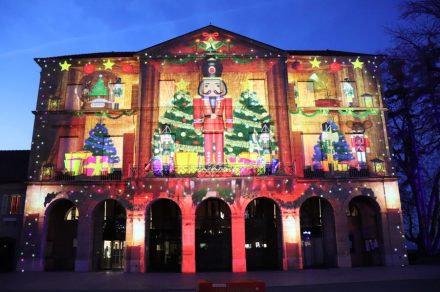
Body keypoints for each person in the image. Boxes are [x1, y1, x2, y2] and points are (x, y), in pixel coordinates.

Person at [193, 57, 233, 167]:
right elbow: (197, 112)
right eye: (207, 85)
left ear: (221, 86)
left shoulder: (225, 98)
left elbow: (229, 112)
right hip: (207, 123)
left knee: (220, 143)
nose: (212, 88)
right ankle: (208, 162)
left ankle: (220, 162)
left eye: (216, 85)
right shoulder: (199, 99)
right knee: (208, 143)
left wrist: (229, 125)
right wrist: (197, 125)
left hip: (220, 122)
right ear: (202, 87)